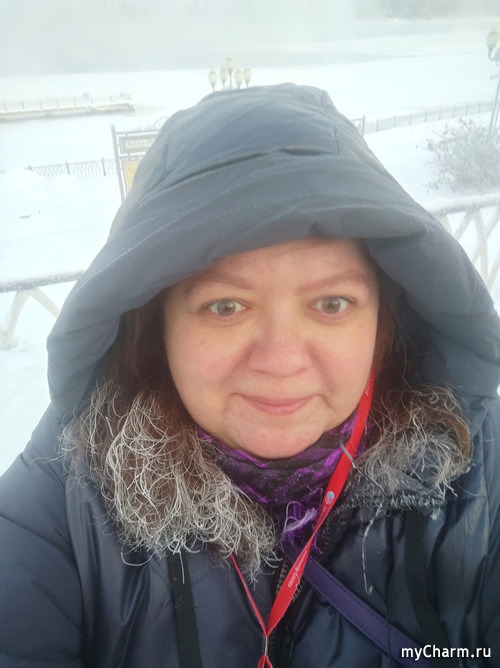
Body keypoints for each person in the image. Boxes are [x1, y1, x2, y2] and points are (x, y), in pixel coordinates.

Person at [1, 83, 499, 668]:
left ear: (384, 319)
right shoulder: (65, 495)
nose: (281, 360)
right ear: (155, 325)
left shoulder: (477, 465)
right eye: (226, 306)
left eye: (331, 303)